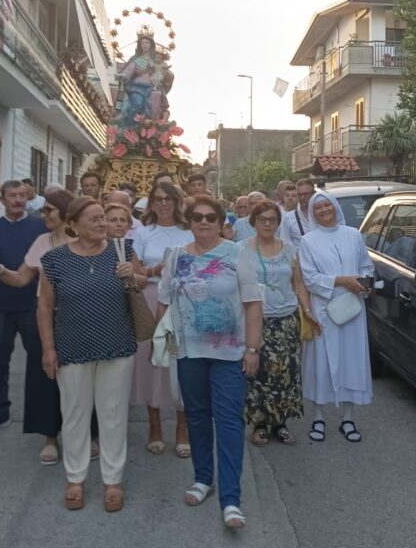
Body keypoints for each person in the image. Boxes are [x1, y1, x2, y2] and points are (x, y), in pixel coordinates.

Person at [157, 195, 262, 529]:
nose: (203, 222)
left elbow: (252, 304)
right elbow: (164, 305)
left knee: (229, 422)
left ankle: (231, 499)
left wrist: (253, 349)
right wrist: (164, 346)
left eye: (210, 217)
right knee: (197, 418)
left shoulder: (238, 254)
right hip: (189, 353)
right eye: (197, 217)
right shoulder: (176, 258)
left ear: (221, 222)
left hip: (230, 354)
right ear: (190, 221)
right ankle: (203, 479)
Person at [38, 197, 141, 512]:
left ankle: (112, 480)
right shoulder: (54, 259)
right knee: (74, 414)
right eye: (95, 219)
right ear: (74, 225)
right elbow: (44, 306)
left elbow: (141, 283)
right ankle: (76, 478)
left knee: (112, 415)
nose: (103, 224)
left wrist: (131, 276)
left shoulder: (122, 250)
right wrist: (48, 349)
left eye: (104, 219)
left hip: (117, 343)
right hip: (72, 347)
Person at [0, 187, 74, 464]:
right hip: (45, 316)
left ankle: (85, 435)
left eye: (49, 211)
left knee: (81, 379)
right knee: (46, 374)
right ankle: (50, 437)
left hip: (79, 319)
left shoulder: (83, 240)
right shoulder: (42, 241)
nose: (44, 215)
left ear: (65, 213)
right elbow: (21, 279)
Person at [0, 180, 48, 435]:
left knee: (39, 362)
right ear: (1, 198)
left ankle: (42, 416)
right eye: (13, 195)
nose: (18, 200)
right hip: (0, 306)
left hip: (33, 306)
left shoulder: (40, 227)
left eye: (22, 195)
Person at [299, 191, 373, 443]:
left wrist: (363, 282)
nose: (323, 210)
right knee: (321, 364)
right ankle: (318, 417)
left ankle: (348, 419)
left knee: (352, 362)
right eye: (317, 207)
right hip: (323, 310)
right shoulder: (308, 241)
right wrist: (342, 280)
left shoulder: (353, 235)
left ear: (334, 207)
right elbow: (309, 278)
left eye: (326, 205)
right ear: (312, 212)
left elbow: (366, 266)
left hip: (352, 309)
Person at [242, 199, 318, 445]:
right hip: (256, 321)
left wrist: (306, 310)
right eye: (262, 219)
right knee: (259, 373)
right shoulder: (242, 249)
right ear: (254, 221)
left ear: (278, 223)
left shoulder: (288, 249)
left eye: (272, 220)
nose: (267, 223)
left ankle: (281, 422)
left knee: (287, 373)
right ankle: (261, 424)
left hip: (286, 321)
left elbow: (298, 283)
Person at [131, 181, 192, 456]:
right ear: (151, 203)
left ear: (178, 201)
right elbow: (135, 273)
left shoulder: (189, 230)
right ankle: (154, 424)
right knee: (153, 361)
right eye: (158, 199)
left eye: (168, 198)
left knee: (180, 362)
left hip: (183, 300)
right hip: (152, 298)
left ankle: (182, 427)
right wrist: (157, 268)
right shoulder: (144, 234)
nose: (163, 203)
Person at [281, 178, 316, 249]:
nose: (302, 197)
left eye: (306, 194)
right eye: (299, 195)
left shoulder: (321, 214)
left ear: (314, 193)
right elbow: (285, 243)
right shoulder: (289, 218)